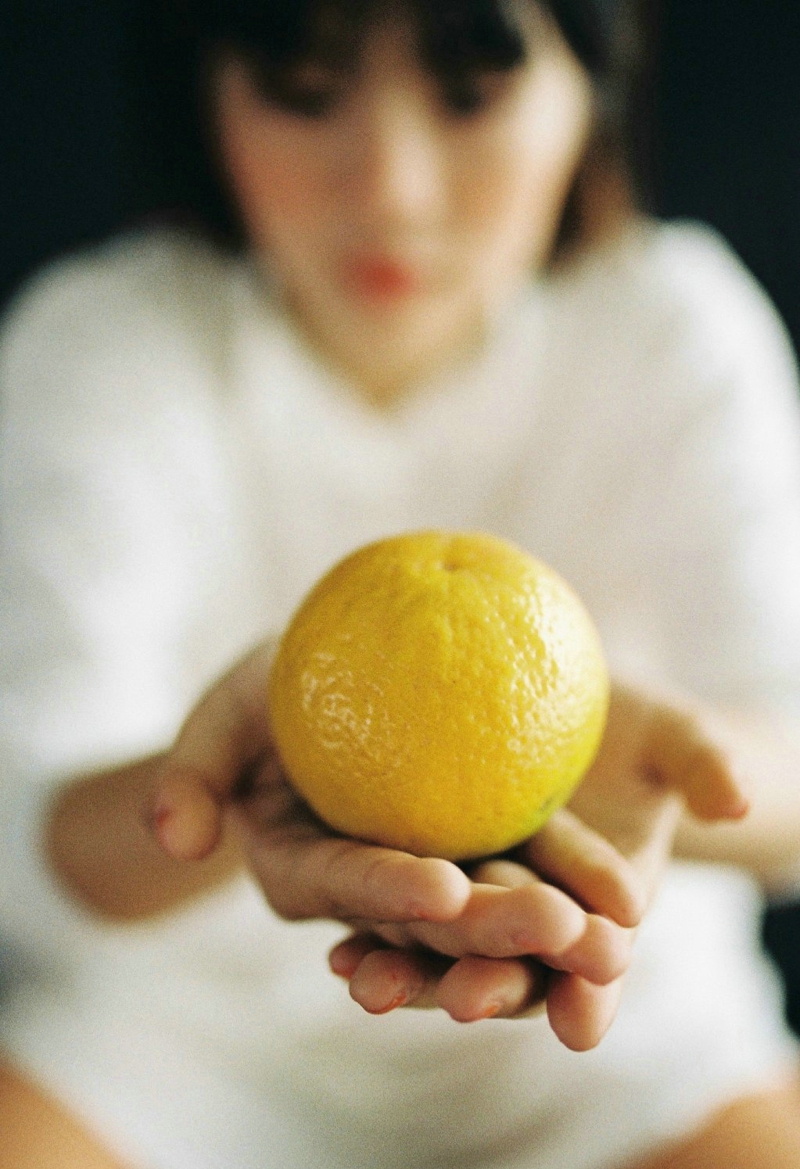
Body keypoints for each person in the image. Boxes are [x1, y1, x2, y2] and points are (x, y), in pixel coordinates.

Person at [2, 1, 800, 1166]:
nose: (388, 188)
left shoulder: (668, 325)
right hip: (170, 1039)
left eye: (469, 94)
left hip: (623, 1037)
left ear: (591, 92)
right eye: (304, 88)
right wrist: (225, 781)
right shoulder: (107, 341)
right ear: (206, 92)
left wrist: (677, 768)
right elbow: (30, 829)